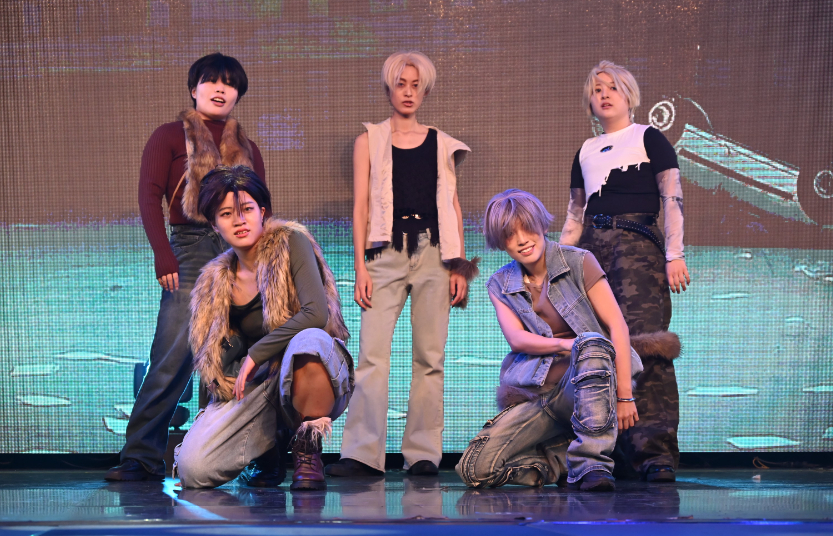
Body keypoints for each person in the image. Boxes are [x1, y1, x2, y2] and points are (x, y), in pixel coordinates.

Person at [105, 53, 266, 481]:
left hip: (239, 254)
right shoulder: (169, 136)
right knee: (173, 353)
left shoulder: (248, 148)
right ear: (194, 89)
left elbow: (262, 209)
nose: (220, 89)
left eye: (230, 84)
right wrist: (163, 253)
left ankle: (242, 457)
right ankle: (141, 456)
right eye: (211, 81)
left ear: (238, 94)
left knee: (238, 352)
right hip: (190, 248)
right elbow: (149, 194)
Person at [325, 51, 479, 478]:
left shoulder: (441, 142)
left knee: (430, 356)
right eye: (401, 84)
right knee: (372, 355)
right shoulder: (369, 140)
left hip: (434, 254)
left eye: (416, 85)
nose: (408, 92)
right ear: (388, 88)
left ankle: (424, 454)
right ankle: (362, 454)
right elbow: (360, 207)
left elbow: (452, 205)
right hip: (384, 254)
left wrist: (458, 265)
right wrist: (360, 267)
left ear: (425, 91)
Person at [174, 165, 354, 490]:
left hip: (314, 373)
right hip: (262, 387)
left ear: (262, 212)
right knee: (193, 469)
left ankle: (307, 449)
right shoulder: (215, 281)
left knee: (308, 340)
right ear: (215, 225)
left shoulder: (291, 242)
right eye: (226, 214)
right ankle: (267, 450)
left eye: (246, 209)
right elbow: (213, 362)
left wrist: (257, 352)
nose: (239, 221)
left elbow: (316, 313)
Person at [456, 189, 642, 491]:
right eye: (510, 234)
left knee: (592, 343)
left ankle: (591, 465)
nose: (522, 240)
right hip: (539, 394)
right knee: (475, 469)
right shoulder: (499, 284)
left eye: (527, 228)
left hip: (587, 387)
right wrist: (566, 345)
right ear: (500, 241)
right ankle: (561, 461)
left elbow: (617, 327)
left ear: (541, 225)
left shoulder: (579, 261)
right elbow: (518, 339)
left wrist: (624, 395)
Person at [559, 60, 689, 482]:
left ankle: (655, 454)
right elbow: (575, 215)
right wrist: (558, 265)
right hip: (592, 252)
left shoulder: (649, 137)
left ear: (629, 94)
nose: (604, 94)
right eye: (597, 89)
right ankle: (601, 452)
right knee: (595, 345)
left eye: (612, 87)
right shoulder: (585, 150)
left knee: (645, 344)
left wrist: (674, 254)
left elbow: (671, 198)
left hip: (638, 249)